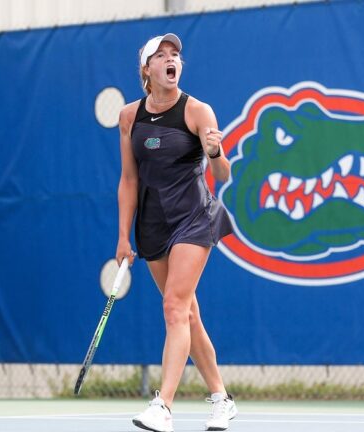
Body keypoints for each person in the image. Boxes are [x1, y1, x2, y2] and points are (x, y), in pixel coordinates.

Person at [115, 33, 238, 432]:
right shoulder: (129, 116)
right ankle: (221, 398)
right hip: (152, 224)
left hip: (194, 218)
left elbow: (222, 175)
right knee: (188, 313)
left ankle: (163, 405)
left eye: (176, 56)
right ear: (147, 69)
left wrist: (216, 152)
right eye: (161, 56)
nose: (171, 60)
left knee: (174, 307)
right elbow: (129, 179)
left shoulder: (198, 111)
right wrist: (122, 237)